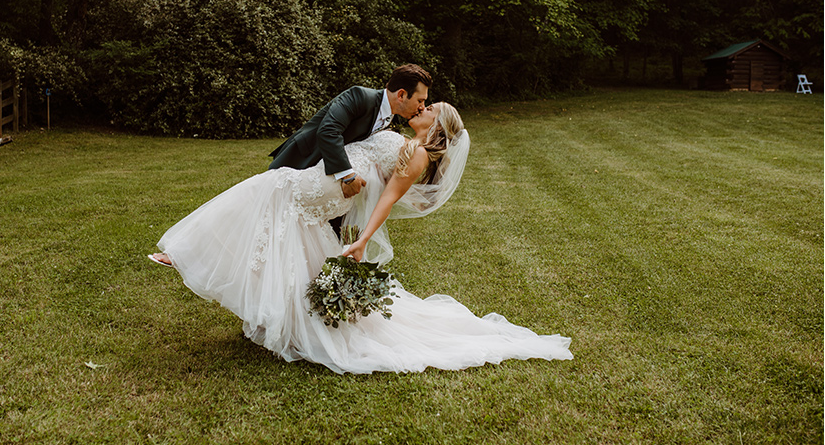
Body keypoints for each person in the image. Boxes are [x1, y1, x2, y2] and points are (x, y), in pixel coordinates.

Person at [148, 101, 573, 374]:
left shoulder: (420, 154)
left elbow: (387, 199)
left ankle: (185, 254)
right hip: (326, 186)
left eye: (430, 108)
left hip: (326, 190)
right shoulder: (407, 141)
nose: (422, 107)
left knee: (265, 190)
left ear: (436, 123)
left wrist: (363, 239)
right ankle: (255, 303)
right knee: (282, 233)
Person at [267, 64, 432, 200]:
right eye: (420, 100)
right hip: (302, 160)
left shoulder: (390, 118)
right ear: (402, 95)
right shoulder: (359, 96)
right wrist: (348, 176)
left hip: (325, 181)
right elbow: (328, 131)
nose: (422, 107)